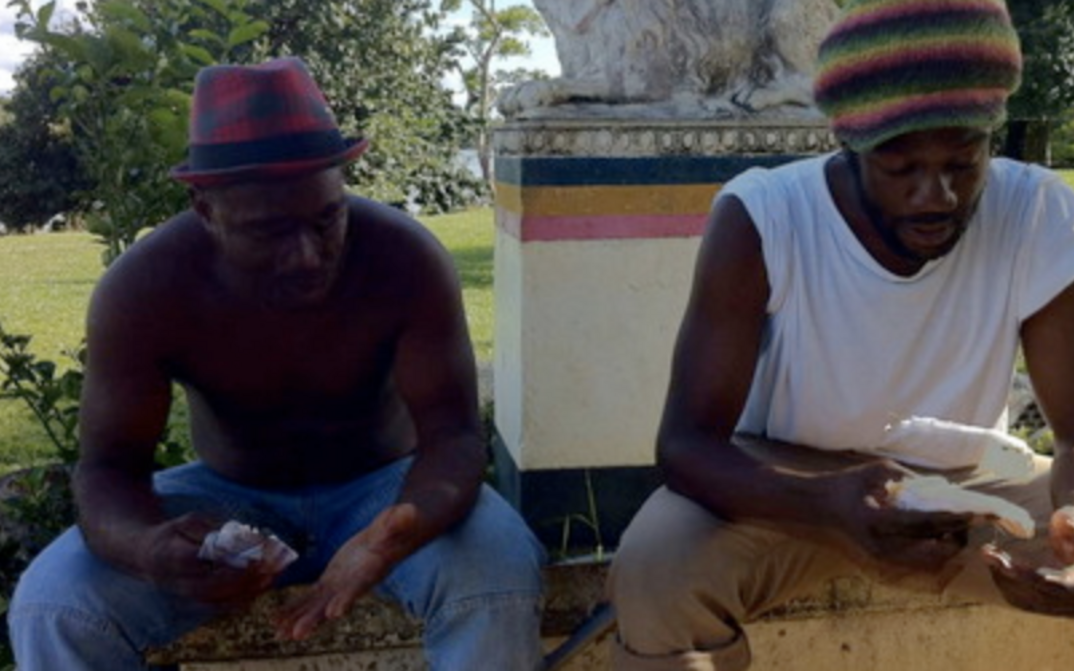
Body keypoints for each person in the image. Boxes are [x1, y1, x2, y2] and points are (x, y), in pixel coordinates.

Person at [7, 57, 546, 671]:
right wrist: (151, 549)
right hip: (226, 498)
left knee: (494, 574)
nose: (307, 257)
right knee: (55, 605)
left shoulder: (404, 259)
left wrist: (391, 535)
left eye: (327, 219)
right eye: (269, 232)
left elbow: (453, 438)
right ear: (205, 209)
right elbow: (107, 470)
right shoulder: (143, 290)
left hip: (388, 487)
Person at [608, 0, 1074, 669]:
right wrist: (827, 502)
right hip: (783, 482)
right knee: (657, 569)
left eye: (962, 161)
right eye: (901, 167)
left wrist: (1071, 520)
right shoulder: (766, 217)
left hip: (966, 486)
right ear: (849, 145)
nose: (935, 194)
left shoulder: (1034, 211)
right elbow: (685, 446)